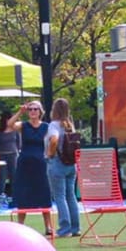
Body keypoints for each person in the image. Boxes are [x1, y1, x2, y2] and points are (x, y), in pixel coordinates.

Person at [12, 99, 55, 234]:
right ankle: (20, 225)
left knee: (43, 192)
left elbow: (54, 139)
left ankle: (48, 226)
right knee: (23, 193)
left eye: (35, 109)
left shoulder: (46, 126)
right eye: (30, 109)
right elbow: (10, 124)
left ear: (40, 111)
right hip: (24, 163)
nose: (32, 111)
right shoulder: (23, 125)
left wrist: (49, 154)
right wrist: (20, 111)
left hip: (40, 163)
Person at [46, 98, 83, 239]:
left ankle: (64, 228)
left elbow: (54, 140)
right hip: (70, 163)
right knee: (71, 196)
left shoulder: (53, 125)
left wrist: (50, 153)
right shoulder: (69, 125)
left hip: (57, 163)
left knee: (59, 196)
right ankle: (75, 227)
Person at [0, 108, 21, 206]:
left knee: (14, 177)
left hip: (13, 155)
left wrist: (17, 152)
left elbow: (19, 144)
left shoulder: (16, 131)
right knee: (2, 179)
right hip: (2, 156)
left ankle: (16, 199)